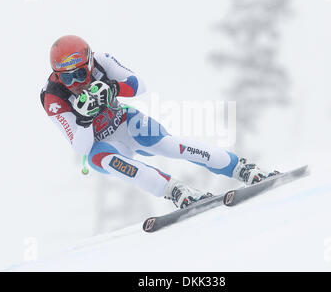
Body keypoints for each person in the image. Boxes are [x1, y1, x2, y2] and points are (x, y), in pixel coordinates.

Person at [40, 35, 278, 209]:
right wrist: (83, 119)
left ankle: (242, 168)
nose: (75, 83)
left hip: (125, 123)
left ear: (90, 64)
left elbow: (138, 85)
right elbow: (80, 147)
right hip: (100, 145)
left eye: (80, 74)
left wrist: (113, 87)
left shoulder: (102, 61)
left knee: (170, 145)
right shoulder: (53, 96)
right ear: (56, 75)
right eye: (66, 77)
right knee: (108, 161)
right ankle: (175, 190)